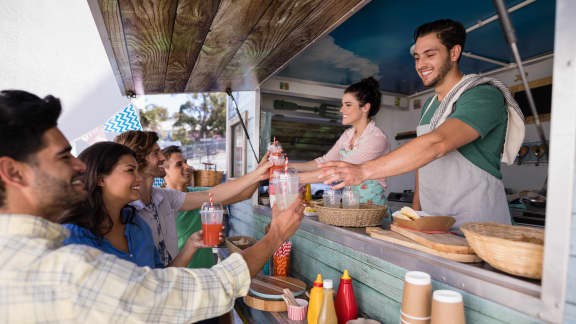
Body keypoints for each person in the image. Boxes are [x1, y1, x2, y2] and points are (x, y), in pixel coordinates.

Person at [0, 89, 304, 323]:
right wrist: (276, 233)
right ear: (13, 172)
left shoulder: (137, 220)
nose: (80, 165)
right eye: (64, 156)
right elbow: (200, 290)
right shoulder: (67, 267)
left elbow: (220, 196)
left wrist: (259, 174)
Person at [319, 19, 524, 229]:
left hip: (477, 223)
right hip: (435, 222)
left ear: (454, 53)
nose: (420, 64)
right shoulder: (429, 106)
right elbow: (423, 163)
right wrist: (416, 212)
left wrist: (362, 171)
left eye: (430, 55)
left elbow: (437, 144)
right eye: (417, 57)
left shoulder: (483, 94)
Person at [115, 130, 265, 266]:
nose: (162, 157)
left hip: (179, 281)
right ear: (138, 159)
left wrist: (260, 172)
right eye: (155, 153)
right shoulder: (124, 210)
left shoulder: (163, 197)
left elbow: (210, 195)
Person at [59, 142, 216, 269]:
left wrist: (190, 246)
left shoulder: (137, 224)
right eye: (130, 171)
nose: (139, 179)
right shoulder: (73, 237)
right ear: (100, 179)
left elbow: (159, 280)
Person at [290, 77, 391, 205]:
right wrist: (286, 166)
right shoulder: (347, 135)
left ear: (365, 107)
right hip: (351, 205)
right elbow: (324, 162)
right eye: (342, 104)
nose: (341, 110)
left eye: (348, 105)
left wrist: (292, 179)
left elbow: (339, 171)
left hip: (372, 209)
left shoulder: (375, 139)